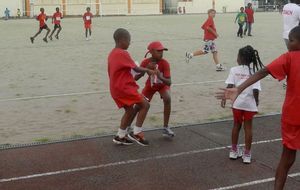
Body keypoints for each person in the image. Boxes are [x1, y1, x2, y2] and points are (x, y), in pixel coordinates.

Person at [216, 26, 300, 190]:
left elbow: (264, 71)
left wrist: (239, 89)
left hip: (293, 116)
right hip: (289, 115)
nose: (288, 44)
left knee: (286, 160)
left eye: (291, 40)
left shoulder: (290, 57)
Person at [108, 28, 156, 146]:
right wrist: (147, 70)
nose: (129, 43)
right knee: (145, 105)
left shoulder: (112, 53)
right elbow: (135, 68)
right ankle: (137, 132)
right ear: (122, 40)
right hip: (124, 88)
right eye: (129, 40)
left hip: (115, 88)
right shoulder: (122, 53)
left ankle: (120, 135)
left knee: (129, 110)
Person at [221, 45, 263, 164]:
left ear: (240, 58)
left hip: (237, 103)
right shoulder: (255, 71)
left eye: (238, 56)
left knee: (236, 126)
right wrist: (257, 101)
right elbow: (256, 90)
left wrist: (224, 97)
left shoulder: (234, 70)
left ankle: (234, 150)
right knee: (248, 128)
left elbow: (229, 85)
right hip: (249, 104)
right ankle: (247, 154)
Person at [133, 41, 175, 137]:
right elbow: (135, 78)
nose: (161, 53)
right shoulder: (145, 62)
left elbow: (169, 82)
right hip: (150, 85)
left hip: (162, 85)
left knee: (167, 98)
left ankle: (165, 127)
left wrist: (160, 76)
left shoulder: (165, 63)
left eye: (162, 51)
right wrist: (145, 69)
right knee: (138, 105)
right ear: (151, 52)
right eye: (158, 51)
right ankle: (127, 127)